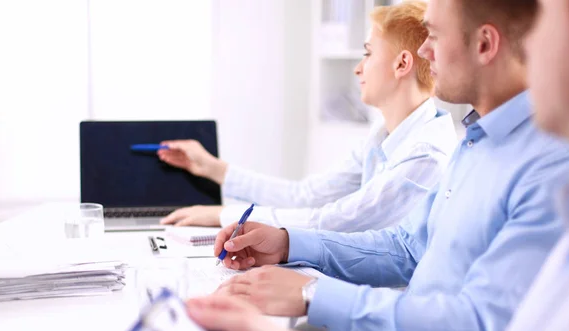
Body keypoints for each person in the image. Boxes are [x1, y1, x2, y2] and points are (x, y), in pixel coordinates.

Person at [124, 0, 569, 331]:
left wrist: (313, 294)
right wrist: (287, 244)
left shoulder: (549, 169)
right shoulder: (475, 140)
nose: (423, 50)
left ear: (484, 45)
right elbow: (408, 248)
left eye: (433, 36)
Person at [157, 1, 457, 233]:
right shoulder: (383, 138)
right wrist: (212, 167)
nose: (358, 68)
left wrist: (223, 215)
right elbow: (306, 196)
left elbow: (336, 221)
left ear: (402, 64)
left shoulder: (425, 156)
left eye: (368, 54)